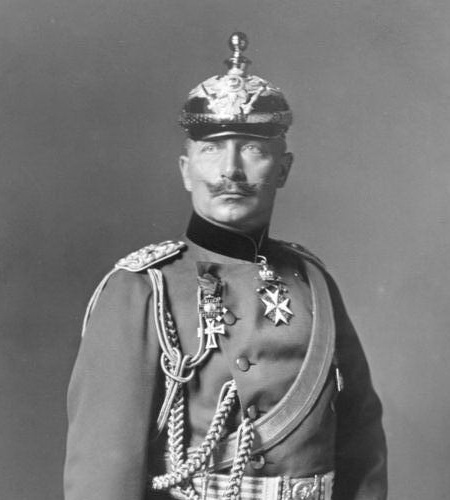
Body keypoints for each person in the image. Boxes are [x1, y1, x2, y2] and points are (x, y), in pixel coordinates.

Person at [64, 33, 387, 500]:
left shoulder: (313, 281)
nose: (230, 170)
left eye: (253, 148)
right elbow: (102, 473)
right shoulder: (142, 289)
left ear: (283, 169)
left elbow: (362, 442)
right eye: (213, 148)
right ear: (185, 169)